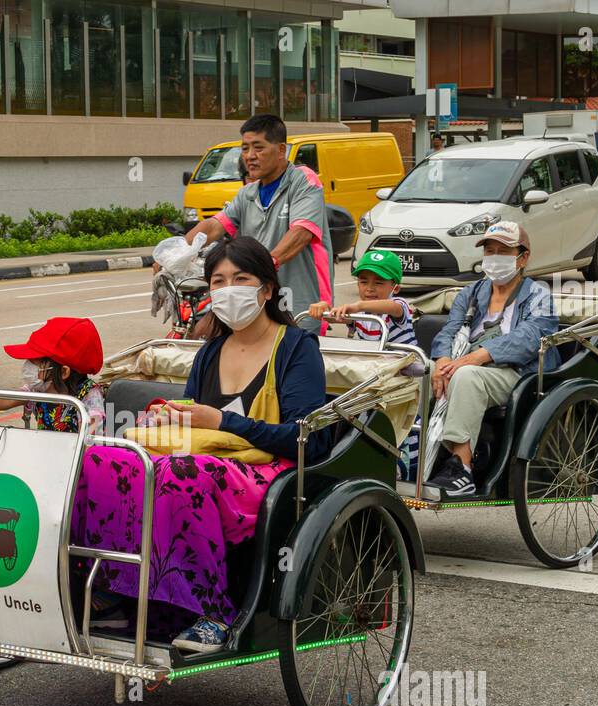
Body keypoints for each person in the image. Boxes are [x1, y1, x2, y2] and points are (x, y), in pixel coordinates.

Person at [72, 236, 332, 653]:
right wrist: (170, 417)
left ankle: (213, 612)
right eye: (218, 281)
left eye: (240, 278)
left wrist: (223, 421)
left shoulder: (297, 349)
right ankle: (116, 590)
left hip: (268, 468)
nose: (228, 290)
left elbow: (306, 438)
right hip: (204, 459)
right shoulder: (210, 352)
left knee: (180, 474)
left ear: (266, 289)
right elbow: (193, 422)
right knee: (104, 460)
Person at [426, 221, 559, 497]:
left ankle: (462, 467)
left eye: (503, 251)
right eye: (490, 251)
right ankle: (409, 455)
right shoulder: (472, 292)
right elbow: (449, 330)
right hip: (466, 363)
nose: (495, 258)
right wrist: (440, 361)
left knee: (466, 376)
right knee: (413, 371)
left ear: (522, 258)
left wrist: (475, 358)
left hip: (516, 372)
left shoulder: (538, 295)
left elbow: (530, 338)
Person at [175, 114, 334, 334]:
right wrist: (176, 252)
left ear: (280, 150)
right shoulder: (247, 194)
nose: (250, 156)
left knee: (292, 361)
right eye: (245, 148)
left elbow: (302, 232)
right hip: (258, 301)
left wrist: (265, 264)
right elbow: (214, 226)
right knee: (203, 334)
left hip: (301, 305)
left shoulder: (303, 181)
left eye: (258, 148)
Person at [307, 248, 420, 479]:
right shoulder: (360, 316)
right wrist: (322, 309)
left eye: (379, 282)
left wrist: (358, 307)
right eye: (363, 281)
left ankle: (400, 467)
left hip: (400, 387)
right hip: (370, 383)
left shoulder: (398, 308)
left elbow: (392, 308)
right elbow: (334, 315)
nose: (369, 288)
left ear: (394, 287)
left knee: (401, 428)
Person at [0, 316, 106, 435]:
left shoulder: (89, 396)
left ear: (63, 372)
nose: (28, 367)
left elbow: (90, 444)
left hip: (77, 466)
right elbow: (4, 400)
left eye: (36, 363)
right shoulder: (38, 390)